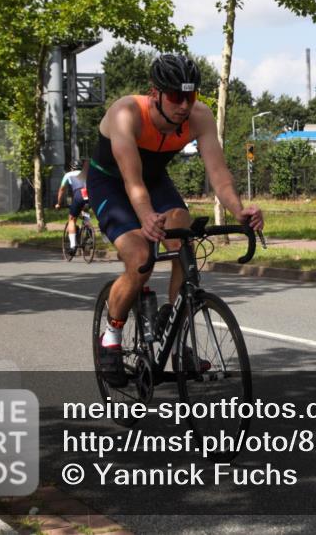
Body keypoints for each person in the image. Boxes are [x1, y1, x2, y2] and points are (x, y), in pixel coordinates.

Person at [87, 53, 263, 386]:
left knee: (183, 230)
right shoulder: (127, 113)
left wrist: (239, 210)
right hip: (111, 182)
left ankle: (177, 331)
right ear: (155, 93)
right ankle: (111, 334)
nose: (184, 104)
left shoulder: (200, 116)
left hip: (153, 180)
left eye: (191, 95)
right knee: (140, 257)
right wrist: (146, 217)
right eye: (176, 96)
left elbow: (219, 174)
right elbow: (132, 182)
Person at [55, 159, 90, 256]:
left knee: (71, 219)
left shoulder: (68, 174)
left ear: (71, 167)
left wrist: (58, 203)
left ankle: (73, 246)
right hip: (90, 194)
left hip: (79, 195)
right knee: (85, 210)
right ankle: (88, 229)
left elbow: (62, 189)